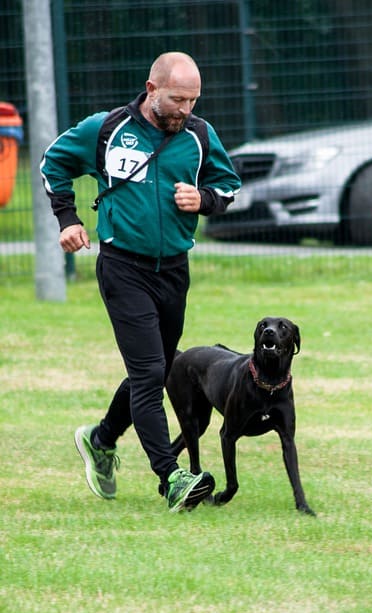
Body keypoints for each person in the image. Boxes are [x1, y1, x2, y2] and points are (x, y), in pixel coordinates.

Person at [41, 51, 241, 512]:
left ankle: (102, 438)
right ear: (152, 90)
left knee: (156, 365)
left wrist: (204, 198)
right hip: (122, 267)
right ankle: (172, 478)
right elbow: (52, 164)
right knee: (152, 373)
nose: (185, 110)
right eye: (177, 99)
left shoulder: (200, 136)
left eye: (193, 100)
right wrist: (67, 219)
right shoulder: (105, 129)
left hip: (173, 270)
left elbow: (229, 186)